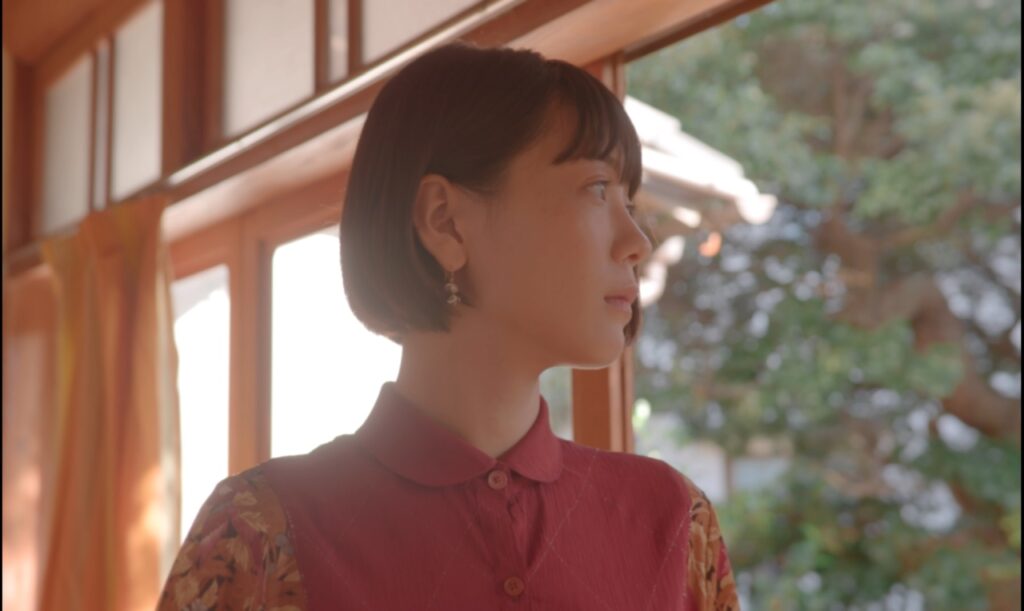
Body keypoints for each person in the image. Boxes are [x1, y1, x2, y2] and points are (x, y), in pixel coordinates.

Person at [157, 41, 739, 611]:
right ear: (445, 222)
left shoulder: (673, 522)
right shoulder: (257, 535)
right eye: (597, 188)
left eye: (630, 203)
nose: (637, 242)